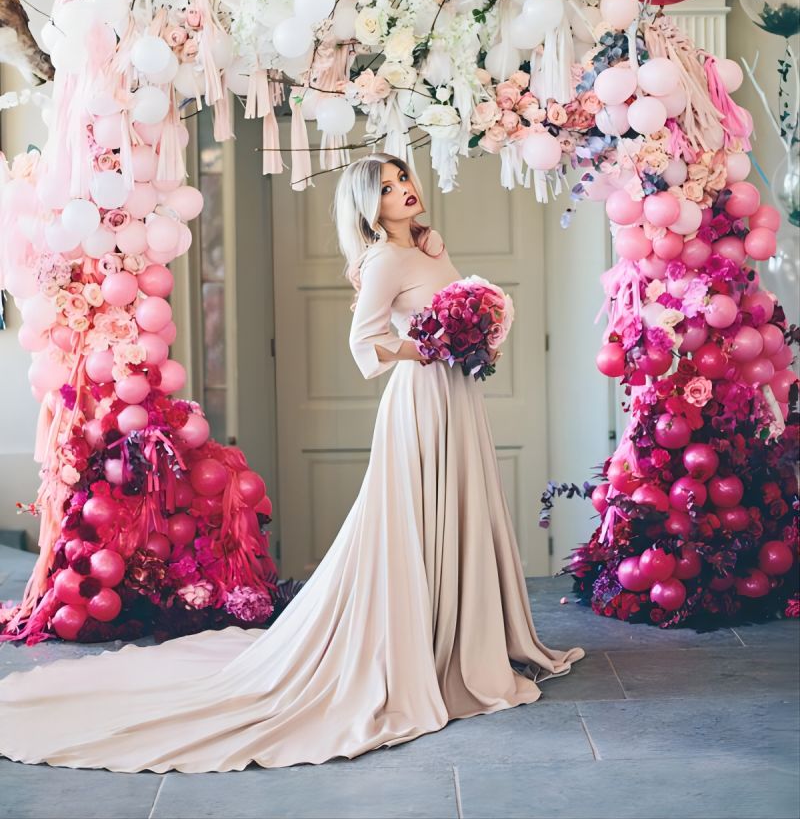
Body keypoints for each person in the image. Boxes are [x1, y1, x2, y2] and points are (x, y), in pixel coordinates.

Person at [0, 153, 584, 773]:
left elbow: (450, 310)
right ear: (368, 206)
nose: (402, 191)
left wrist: (471, 336)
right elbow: (367, 344)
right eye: (384, 189)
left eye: (402, 179)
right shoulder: (385, 258)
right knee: (417, 520)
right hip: (422, 401)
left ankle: (464, 637)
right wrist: (438, 345)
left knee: (459, 511)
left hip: (459, 395)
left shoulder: (428, 245)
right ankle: (423, 650)